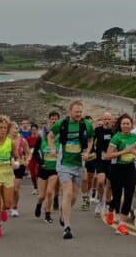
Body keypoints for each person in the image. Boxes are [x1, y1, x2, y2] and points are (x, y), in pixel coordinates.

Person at [51, 100, 94, 240]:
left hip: (79, 164)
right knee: (67, 193)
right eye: (76, 112)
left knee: (74, 197)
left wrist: (87, 152)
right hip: (64, 164)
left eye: (80, 112)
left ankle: (64, 212)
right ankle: (67, 227)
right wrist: (52, 148)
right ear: (70, 111)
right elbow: (50, 136)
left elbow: (90, 139)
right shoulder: (61, 124)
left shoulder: (86, 124)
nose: (79, 114)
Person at [104, 113, 136, 235]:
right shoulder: (116, 137)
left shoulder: (135, 137)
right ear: (120, 125)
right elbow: (108, 156)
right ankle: (111, 209)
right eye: (123, 124)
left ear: (131, 125)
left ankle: (121, 224)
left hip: (130, 168)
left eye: (128, 124)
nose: (125, 126)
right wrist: (124, 152)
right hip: (116, 169)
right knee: (117, 196)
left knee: (129, 195)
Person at [88, 111, 115, 215]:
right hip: (100, 160)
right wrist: (91, 152)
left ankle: (108, 203)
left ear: (111, 120)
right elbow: (91, 142)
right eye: (105, 119)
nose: (107, 121)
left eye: (109, 119)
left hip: (112, 161)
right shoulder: (98, 130)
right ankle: (100, 201)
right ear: (102, 120)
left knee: (110, 184)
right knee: (100, 181)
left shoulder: (114, 131)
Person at [34, 126, 59, 223]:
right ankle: (39, 204)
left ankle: (48, 214)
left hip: (54, 170)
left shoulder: (58, 141)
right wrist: (41, 162)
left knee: (49, 192)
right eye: (48, 133)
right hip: (43, 169)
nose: (50, 135)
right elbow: (35, 153)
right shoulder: (41, 140)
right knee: (42, 195)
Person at [8, 121, 30, 217]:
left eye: (17, 128)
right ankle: (6, 205)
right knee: (8, 189)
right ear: (9, 129)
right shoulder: (4, 140)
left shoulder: (22, 140)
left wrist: (27, 161)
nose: (17, 130)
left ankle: (14, 207)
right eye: (15, 128)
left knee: (15, 189)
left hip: (19, 166)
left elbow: (28, 153)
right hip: (6, 166)